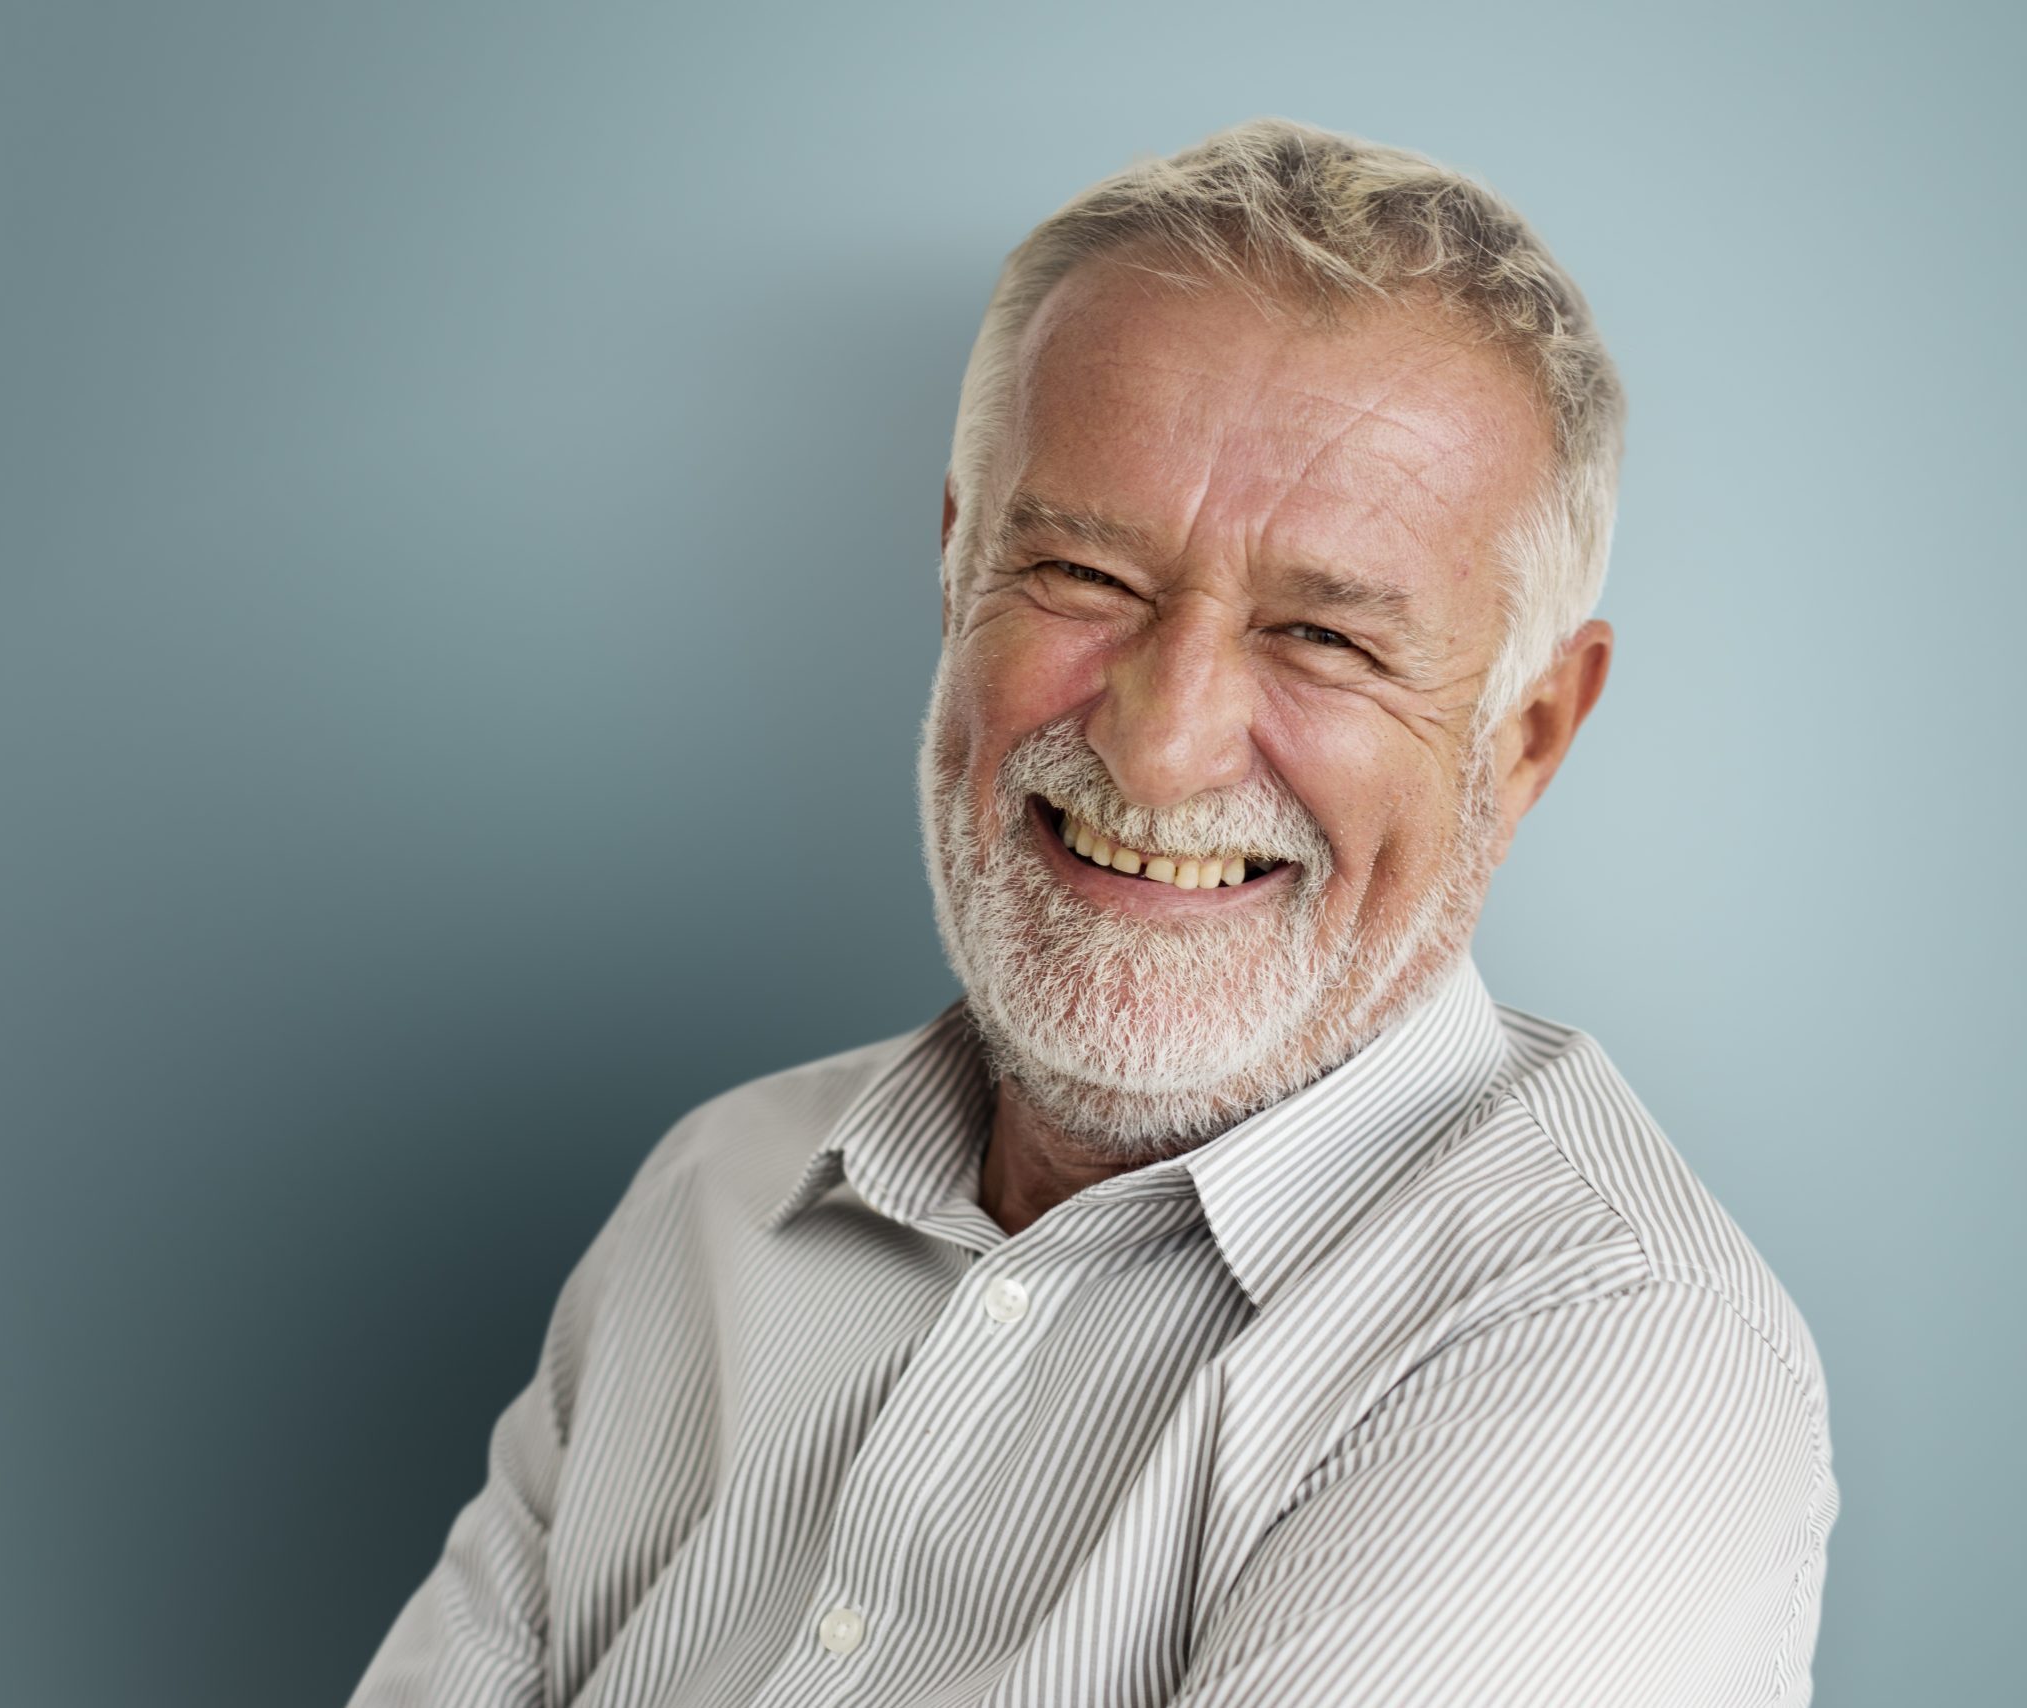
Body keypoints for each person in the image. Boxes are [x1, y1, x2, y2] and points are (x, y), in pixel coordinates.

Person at [351, 118, 1835, 1708]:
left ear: (1528, 734)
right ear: (954, 573)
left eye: (1324, 635)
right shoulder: (719, 1189)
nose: (1160, 740)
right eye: (1081, 575)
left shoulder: (1607, 1354)